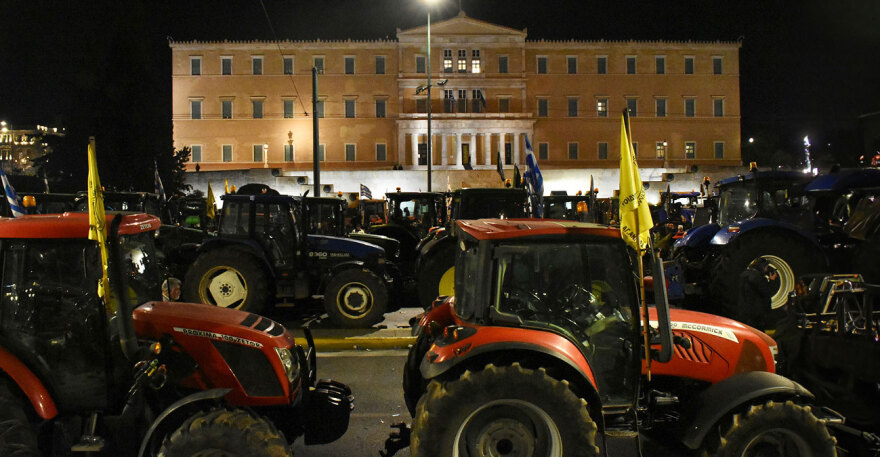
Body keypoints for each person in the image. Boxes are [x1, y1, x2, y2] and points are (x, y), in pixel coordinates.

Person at [736, 259, 778, 329]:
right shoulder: (759, 278)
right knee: (758, 331)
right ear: (762, 267)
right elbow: (767, 292)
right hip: (757, 312)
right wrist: (772, 281)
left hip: (744, 309)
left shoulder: (744, 275)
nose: (766, 270)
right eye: (766, 267)